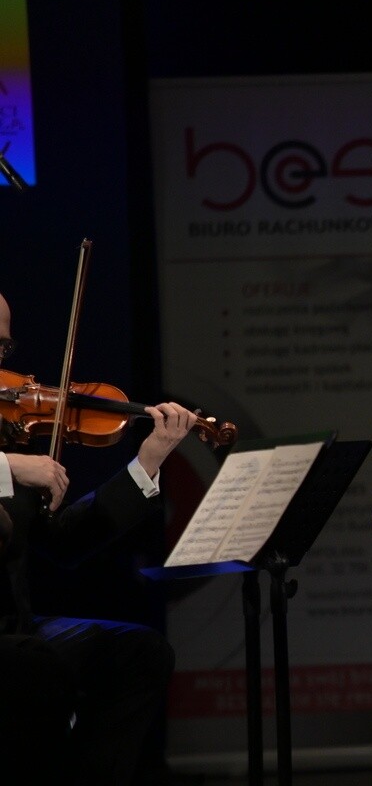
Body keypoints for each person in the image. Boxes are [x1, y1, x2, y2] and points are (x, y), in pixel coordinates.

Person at [0, 291, 199, 784]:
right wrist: (8, 467)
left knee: (141, 654)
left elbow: (65, 543)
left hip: (14, 626)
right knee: (36, 669)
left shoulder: (8, 427)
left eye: (3, 348)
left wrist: (148, 460)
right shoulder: (11, 456)